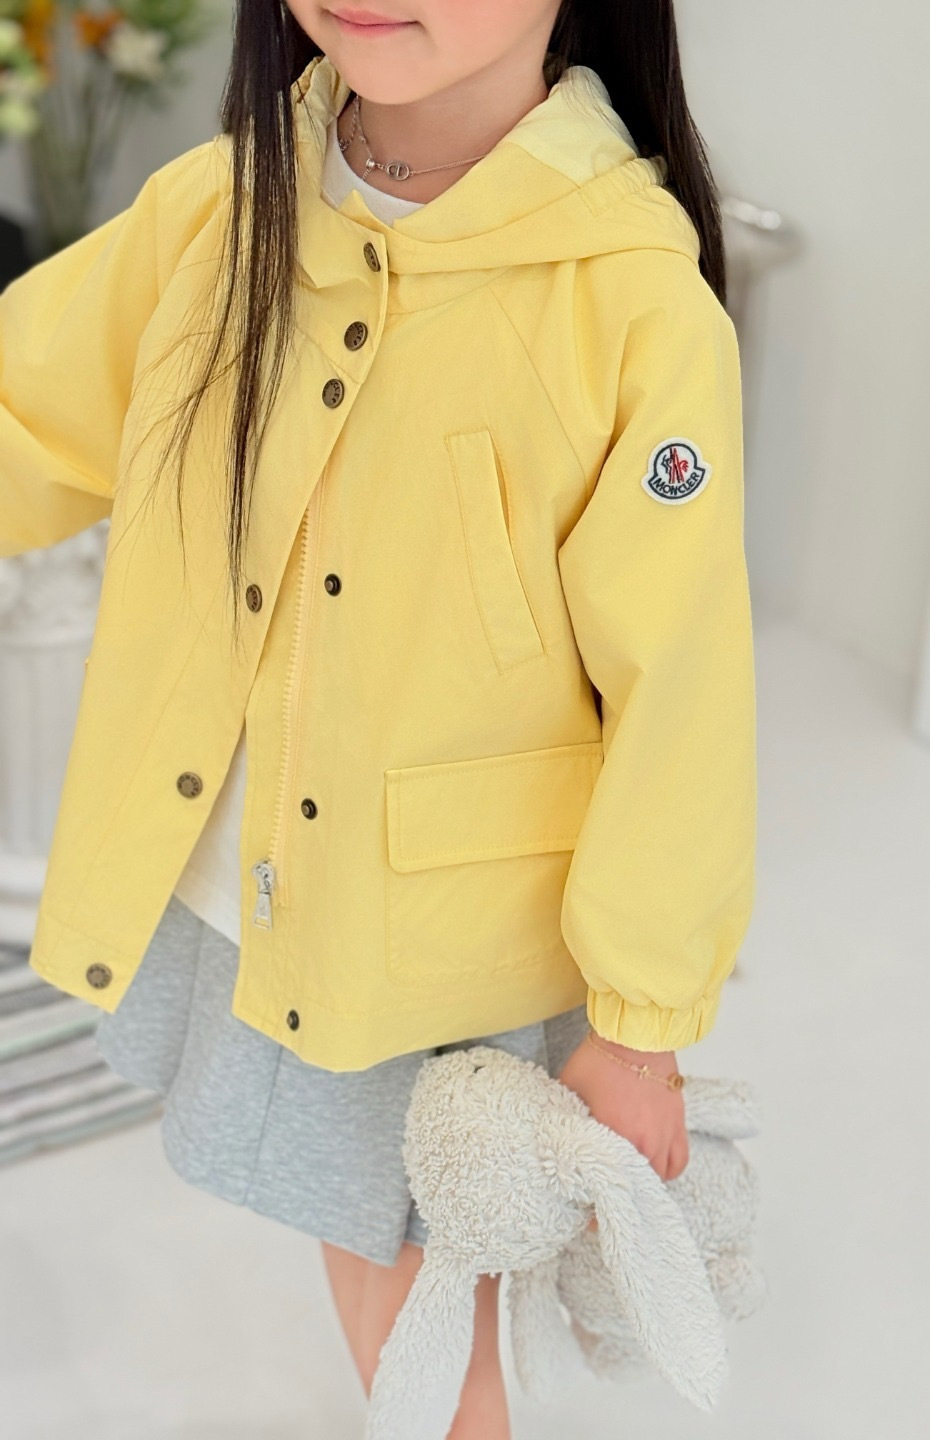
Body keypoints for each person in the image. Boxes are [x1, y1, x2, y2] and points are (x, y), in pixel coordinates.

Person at [0, 2, 756, 1434]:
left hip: (438, 931)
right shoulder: (222, 209)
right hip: (241, 878)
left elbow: (684, 690)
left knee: (416, 1268)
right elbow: (25, 407)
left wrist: (640, 1023)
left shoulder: (631, 302)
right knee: (367, 1228)